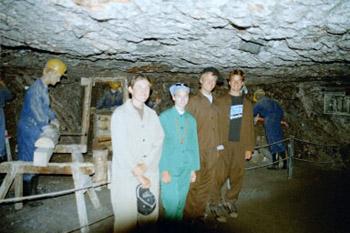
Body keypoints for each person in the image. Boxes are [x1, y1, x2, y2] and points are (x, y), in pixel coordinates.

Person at [110, 75, 164, 233]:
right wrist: (138, 171)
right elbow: (121, 147)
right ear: (130, 89)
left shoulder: (152, 115)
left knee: (149, 215)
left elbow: (159, 140)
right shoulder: (120, 114)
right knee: (126, 219)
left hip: (150, 172)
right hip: (127, 174)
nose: (144, 91)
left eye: (147, 87)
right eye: (139, 87)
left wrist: (146, 164)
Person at [210, 69, 255, 222]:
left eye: (239, 81)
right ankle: (214, 203)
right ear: (229, 82)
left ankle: (230, 201)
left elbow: (250, 127)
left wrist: (249, 148)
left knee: (237, 176)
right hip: (223, 144)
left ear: (242, 83)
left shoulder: (248, 104)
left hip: (240, 145)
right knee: (218, 175)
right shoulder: (220, 101)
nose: (236, 83)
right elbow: (214, 125)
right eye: (233, 80)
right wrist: (215, 145)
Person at [17, 58, 66, 196]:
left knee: (38, 159)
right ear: (50, 73)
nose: (58, 80)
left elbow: (46, 108)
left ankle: (34, 191)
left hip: (35, 127)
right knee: (28, 161)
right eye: (58, 76)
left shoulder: (43, 89)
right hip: (29, 129)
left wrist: (54, 117)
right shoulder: (35, 90)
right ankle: (26, 196)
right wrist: (46, 126)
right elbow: (37, 112)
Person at [184, 67, 223, 220]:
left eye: (213, 80)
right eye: (207, 79)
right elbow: (185, 129)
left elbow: (218, 127)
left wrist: (220, 147)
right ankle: (189, 216)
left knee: (207, 184)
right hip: (197, 151)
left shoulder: (216, 102)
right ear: (200, 80)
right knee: (193, 185)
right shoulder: (192, 102)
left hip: (213, 151)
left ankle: (199, 213)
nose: (210, 83)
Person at [159, 83, 200, 221]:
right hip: (170, 168)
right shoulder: (164, 117)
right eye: (179, 96)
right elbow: (159, 145)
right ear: (173, 97)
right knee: (171, 206)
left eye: (185, 96)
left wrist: (193, 169)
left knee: (180, 206)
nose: (182, 99)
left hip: (186, 168)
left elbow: (194, 144)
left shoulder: (191, 120)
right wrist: (163, 169)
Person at [253, 88, 288, 169]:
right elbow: (281, 112)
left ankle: (275, 164)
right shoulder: (273, 102)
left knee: (272, 142)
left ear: (257, 96)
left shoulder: (260, 102)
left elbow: (252, 113)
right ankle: (285, 164)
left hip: (270, 122)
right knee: (279, 141)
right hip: (277, 122)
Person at [0, 79, 13, 163]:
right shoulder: (1, 89)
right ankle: (1, 153)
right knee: (0, 131)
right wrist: (2, 84)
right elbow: (10, 96)